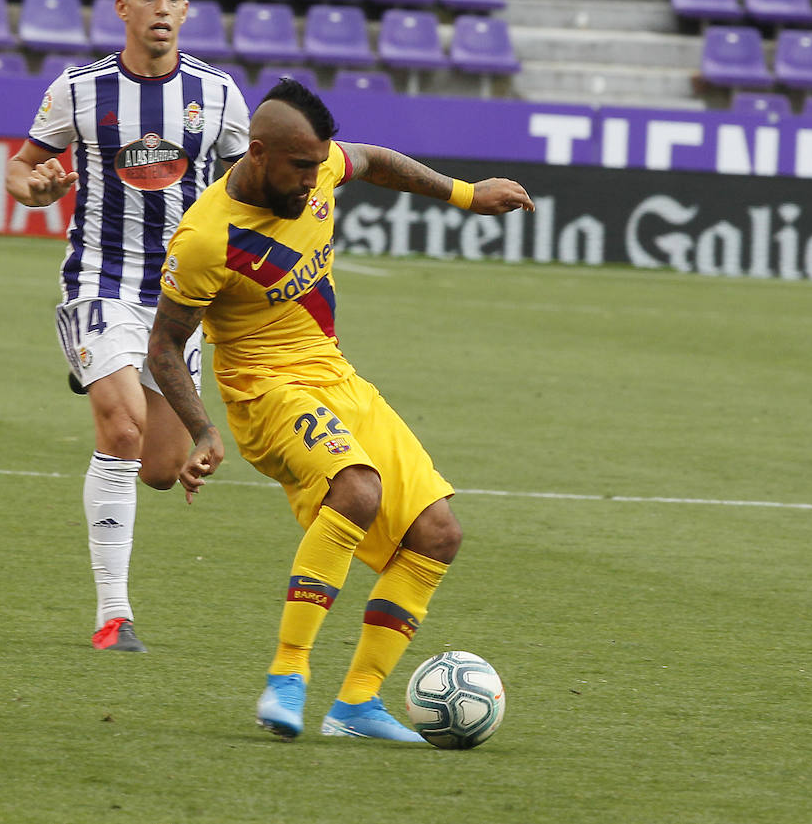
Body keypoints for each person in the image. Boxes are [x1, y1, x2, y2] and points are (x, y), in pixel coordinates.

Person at [147, 78, 534, 741]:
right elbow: (164, 346)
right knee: (357, 489)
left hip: (334, 376)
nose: (311, 179)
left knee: (438, 533)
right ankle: (287, 673)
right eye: (299, 167)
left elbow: (377, 161)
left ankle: (356, 703)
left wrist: (467, 194)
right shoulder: (206, 238)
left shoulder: (319, 162)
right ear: (258, 151)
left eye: (316, 164)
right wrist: (203, 428)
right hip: (265, 390)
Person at [6, 0, 250, 653]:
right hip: (100, 280)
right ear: (123, 9)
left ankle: (101, 365)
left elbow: (245, 192)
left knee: (162, 469)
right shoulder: (79, 90)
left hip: (179, 302)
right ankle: (114, 615)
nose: (163, 10)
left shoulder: (219, 94)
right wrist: (39, 189)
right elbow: (20, 170)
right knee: (118, 427)